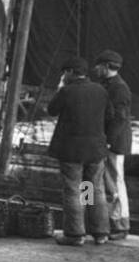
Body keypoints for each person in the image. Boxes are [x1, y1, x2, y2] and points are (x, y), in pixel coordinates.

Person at [47, 57, 112, 246]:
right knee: (92, 188)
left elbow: (52, 110)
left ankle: (75, 234)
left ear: (70, 72)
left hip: (72, 151)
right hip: (95, 150)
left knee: (73, 190)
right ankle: (99, 232)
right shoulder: (101, 90)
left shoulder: (66, 91)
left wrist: (60, 88)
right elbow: (110, 115)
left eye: (64, 73)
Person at [95, 50, 132, 240]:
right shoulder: (108, 84)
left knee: (115, 183)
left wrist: (108, 140)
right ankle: (111, 222)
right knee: (109, 183)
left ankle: (120, 225)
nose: (95, 68)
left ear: (107, 66)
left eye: (99, 65)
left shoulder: (119, 88)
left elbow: (120, 118)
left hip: (114, 143)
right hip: (109, 141)